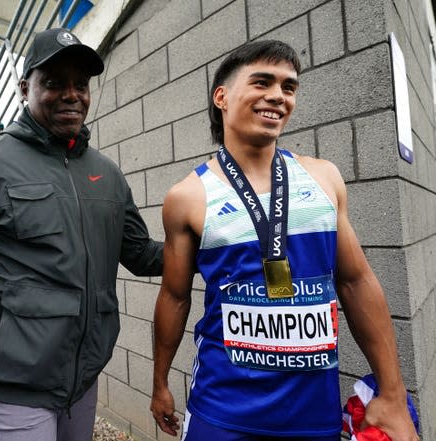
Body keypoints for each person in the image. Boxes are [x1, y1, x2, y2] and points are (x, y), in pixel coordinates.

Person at [150, 40, 420, 441]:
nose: (278, 96)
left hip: (313, 414)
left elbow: (356, 282)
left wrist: (393, 394)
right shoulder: (187, 197)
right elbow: (174, 296)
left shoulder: (324, 178)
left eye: (289, 87)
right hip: (222, 411)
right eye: (262, 82)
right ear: (221, 97)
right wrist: (159, 385)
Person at [0, 27, 163, 441]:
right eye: (54, 83)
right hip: (11, 388)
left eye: (80, 84)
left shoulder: (108, 175)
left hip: (82, 382)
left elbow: (142, 255)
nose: (71, 94)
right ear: (25, 87)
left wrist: (217, 242)